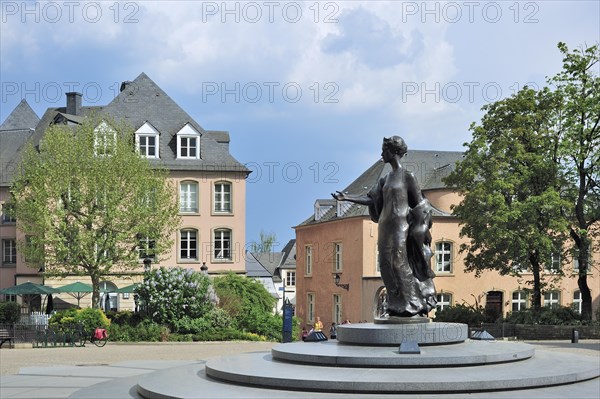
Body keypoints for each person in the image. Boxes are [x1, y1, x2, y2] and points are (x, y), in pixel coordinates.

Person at [333, 136, 436, 317]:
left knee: (399, 263)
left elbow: (420, 203)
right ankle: (395, 305)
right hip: (385, 226)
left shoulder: (407, 176)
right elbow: (371, 200)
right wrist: (347, 198)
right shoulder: (385, 179)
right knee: (385, 264)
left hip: (401, 227)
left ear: (394, 152)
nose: (382, 153)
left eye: (384, 150)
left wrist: (421, 227)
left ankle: (413, 303)